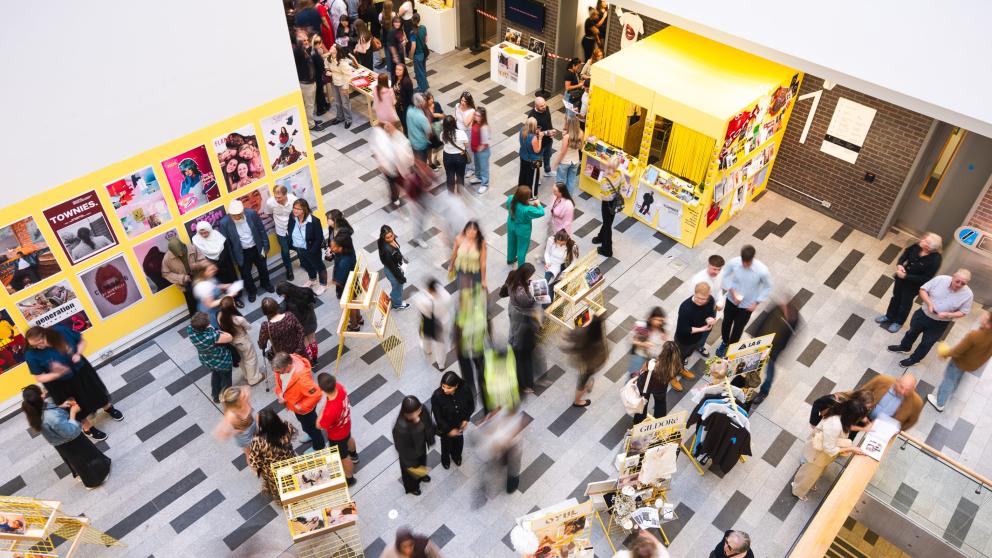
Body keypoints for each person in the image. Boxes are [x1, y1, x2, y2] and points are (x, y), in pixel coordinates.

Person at [25, 326, 120, 441]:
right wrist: (57, 374)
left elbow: (82, 341)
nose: (38, 347)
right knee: (75, 405)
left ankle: (108, 407)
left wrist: (77, 354)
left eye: (40, 343)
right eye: (34, 345)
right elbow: (39, 377)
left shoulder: (60, 331)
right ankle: (87, 428)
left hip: (80, 370)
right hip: (59, 383)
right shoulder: (31, 354)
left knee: (94, 390)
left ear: (46, 334)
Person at [22, 384, 111, 488]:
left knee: (73, 460)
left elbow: (48, 415)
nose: (44, 391)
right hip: (72, 441)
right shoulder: (52, 417)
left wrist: (61, 406)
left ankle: (79, 475)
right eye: (41, 391)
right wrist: (73, 412)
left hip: (59, 444)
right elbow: (70, 431)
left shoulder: (34, 410)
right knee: (86, 458)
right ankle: (96, 479)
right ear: (40, 397)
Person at [888, 269, 973, 367]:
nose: (958, 285)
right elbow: (923, 290)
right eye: (957, 281)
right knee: (911, 332)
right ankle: (904, 347)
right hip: (923, 314)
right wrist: (929, 303)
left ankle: (915, 359)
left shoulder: (968, 294)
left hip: (940, 323)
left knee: (927, 342)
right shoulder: (940, 279)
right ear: (953, 277)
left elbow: (963, 312)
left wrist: (949, 315)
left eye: (963, 283)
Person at [791, 398, 868, 500]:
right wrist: (852, 449)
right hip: (817, 454)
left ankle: (808, 484)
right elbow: (829, 448)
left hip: (821, 454)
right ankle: (797, 491)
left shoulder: (840, 413)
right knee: (808, 474)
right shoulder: (835, 424)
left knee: (814, 472)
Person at [878, 233, 943, 333]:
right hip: (901, 278)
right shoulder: (917, 246)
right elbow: (905, 254)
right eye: (925, 238)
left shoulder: (935, 260)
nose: (922, 240)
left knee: (905, 303)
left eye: (926, 241)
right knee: (895, 297)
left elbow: (926, 278)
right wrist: (900, 264)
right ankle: (889, 316)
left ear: (929, 247)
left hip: (913, 285)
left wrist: (906, 276)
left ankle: (898, 322)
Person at [928, 311, 992, 411]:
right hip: (973, 363)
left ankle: (940, 403)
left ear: (988, 324)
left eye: (986, 316)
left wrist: (944, 353)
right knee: (957, 377)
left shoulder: (974, 336)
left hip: (960, 362)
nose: (983, 315)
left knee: (949, 380)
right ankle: (952, 390)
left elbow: (957, 351)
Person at [716, 245, 772, 357]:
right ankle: (725, 342)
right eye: (743, 261)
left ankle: (732, 348)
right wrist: (732, 291)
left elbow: (768, 287)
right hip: (732, 300)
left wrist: (756, 303)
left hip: (747, 306)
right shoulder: (734, 263)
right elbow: (724, 276)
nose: (745, 264)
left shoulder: (762, 270)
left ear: (752, 259)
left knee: (738, 327)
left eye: (747, 262)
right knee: (726, 322)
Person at [217, 200, 273, 303]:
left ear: (243, 211)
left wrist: (265, 246)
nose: (236, 217)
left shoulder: (251, 214)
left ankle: (266, 284)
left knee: (263, 268)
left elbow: (261, 230)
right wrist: (234, 259)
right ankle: (251, 291)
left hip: (257, 247)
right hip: (241, 252)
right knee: (246, 274)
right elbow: (227, 244)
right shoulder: (224, 223)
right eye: (234, 215)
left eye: (238, 215)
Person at [749, 292, 800, 405]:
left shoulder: (794, 319)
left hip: (774, 348)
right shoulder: (777, 308)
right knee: (754, 362)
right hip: (762, 341)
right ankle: (749, 381)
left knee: (770, 369)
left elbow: (788, 338)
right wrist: (755, 336)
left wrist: (778, 351)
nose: (781, 304)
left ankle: (764, 391)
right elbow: (764, 319)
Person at [271, 352, 326, 451]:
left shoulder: (302, 379)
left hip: (305, 410)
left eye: (280, 371)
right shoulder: (283, 366)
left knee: (313, 427)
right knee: (305, 424)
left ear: (288, 366)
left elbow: (317, 394)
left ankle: (319, 446)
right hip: (296, 407)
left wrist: (300, 406)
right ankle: (309, 434)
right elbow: (278, 381)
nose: (278, 374)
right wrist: (280, 393)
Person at [317, 372, 358, 484]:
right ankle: (354, 455)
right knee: (349, 438)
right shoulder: (340, 387)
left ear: (322, 389)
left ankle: (350, 478)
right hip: (346, 423)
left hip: (337, 436)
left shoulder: (330, 411)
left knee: (344, 457)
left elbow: (319, 425)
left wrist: (323, 408)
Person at [247, 408, 297, 497]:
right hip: (290, 461)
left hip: (273, 470)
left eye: (258, 422)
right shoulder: (287, 427)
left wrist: (258, 471)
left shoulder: (258, 441)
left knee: (277, 486)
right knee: (292, 477)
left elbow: (254, 461)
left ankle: (283, 500)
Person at [507, 264, 540, 394]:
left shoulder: (512, 277)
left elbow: (503, 291)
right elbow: (529, 303)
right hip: (521, 315)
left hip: (513, 310)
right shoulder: (520, 292)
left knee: (514, 334)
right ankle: (524, 384)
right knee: (522, 356)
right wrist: (537, 297)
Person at [187, 312, 235, 403]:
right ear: (205, 327)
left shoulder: (190, 330)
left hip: (207, 359)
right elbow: (229, 337)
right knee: (226, 380)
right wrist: (215, 329)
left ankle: (216, 396)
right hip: (221, 361)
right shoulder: (211, 336)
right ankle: (228, 399)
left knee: (216, 374)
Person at [393, 395, 436, 495]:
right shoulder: (400, 427)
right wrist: (418, 424)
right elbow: (402, 449)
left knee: (422, 462)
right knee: (410, 475)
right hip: (409, 457)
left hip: (420, 447)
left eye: (419, 410)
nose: (419, 413)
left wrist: (431, 436)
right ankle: (412, 488)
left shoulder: (421, 409)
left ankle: (422, 475)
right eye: (415, 413)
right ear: (406, 414)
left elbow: (429, 423)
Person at [431, 371, 475, 469]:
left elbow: (470, 405)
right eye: (443, 386)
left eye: (449, 387)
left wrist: (466, 419)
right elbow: (438, 417)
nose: (445, 390)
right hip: (445, 427)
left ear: (456, 385)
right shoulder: (437, 396)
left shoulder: (465, 389)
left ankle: (456, 456)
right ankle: (445, 459)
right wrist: (449, 430)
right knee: (446, 445)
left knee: (459, 443)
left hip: (459, 424)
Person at [563, 315, 608, 407]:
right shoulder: (598, 340)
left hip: (582, 360)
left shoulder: (582, 332)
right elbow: (602, 355)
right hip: (591, 365)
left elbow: (570, 336)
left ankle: (587, 384)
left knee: (584, 377)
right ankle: (577, 401)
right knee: (582, 381)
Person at [217, 297, 264, 385]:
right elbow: (249, 327)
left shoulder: (219, 316)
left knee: (241, 360)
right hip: (243, 340)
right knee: (250, 359)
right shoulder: (238, 319)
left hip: (232, 341)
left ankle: (246, 375)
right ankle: (253, 378)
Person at [192, 221, 240, 307]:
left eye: (206, 232)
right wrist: (214, 266)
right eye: (201, 233)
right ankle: (226, 303)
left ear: (210, 230)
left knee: (231, 282)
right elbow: (201, 257)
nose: (204, 235)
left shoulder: (217, 235)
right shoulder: (197, 241)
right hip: (213, 270)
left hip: (226, 265)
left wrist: (221, 262)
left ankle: (237, 299)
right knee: (218, 286)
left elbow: (226, 249)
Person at [632, 342, 680, 424]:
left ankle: (638, 423)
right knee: (660, 404)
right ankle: (659, 423)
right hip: (661, 388)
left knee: (642, 404)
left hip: (645, 386)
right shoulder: (676, 366)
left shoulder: (652, 363)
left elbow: (643, 370)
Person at [161, 236, 210, 316]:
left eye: (182, 252)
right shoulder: (167, 258)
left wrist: (195, 265)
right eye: (178, 254)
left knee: (204, 298)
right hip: (185, 283)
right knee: (193, 305)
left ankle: (210, 316)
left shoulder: (192, 248)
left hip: (198, 278)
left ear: (183, 246)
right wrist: (182, 278)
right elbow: (165, 273)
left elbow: (203, 260)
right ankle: (197, 323)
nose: (180, 254)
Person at [288, 198, 328, 294]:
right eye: (294, 208)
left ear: (304, 209)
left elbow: (319, 238)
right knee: (307, 264)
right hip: (299, 248)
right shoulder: (292, 217)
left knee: (319, 267)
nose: (295, 210)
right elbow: (290, 228)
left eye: (298, 209)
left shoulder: (314, 221)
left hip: (311, 249)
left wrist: (313, 251)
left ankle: (323, 285)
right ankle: (312, 279)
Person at [858, 373, 923, 430]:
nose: (903, 392)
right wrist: (861, 415)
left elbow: (911, 421)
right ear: (897, 381)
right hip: (864, 416)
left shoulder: (917, 403)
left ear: (913, 389)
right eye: (901, 387)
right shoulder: (881, 380)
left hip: (883, 428)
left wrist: (895, 430)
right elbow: (861, 393)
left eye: (907, 390)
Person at [370, 121, 413, 206]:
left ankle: (398, 193)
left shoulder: (398, 136)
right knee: (392, 183)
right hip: (389, 167)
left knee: (398, 181)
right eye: (386, 127)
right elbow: (377, 152)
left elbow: (405, 147)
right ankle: (394, 197)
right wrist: (381, 164)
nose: (388, 128)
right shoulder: (381, 139)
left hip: (398, 165)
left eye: (389, 126)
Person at [674, 282, 717, 368]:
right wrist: (702, 329)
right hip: (684, 341)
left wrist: (711, 319)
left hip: (697, 338)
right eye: (699, 298)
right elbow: (683, 330)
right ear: (694, 293)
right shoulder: (685, 307)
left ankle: (682, 365)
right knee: (678, 358)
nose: (701, 301)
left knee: (689, 353)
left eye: (704, 299)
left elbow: (710, 313)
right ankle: (675, 371)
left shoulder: (710, 300)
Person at [689, 255, 726, 347]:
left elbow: (719, 289)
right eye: (714, 269)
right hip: (698, 310)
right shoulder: (698, 279)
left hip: (712, 308)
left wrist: (720, 302)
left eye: (719, 269)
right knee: (695, 330)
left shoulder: (721, 274)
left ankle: (700, 346)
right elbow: (692, 298)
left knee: (708, 329)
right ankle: (688, 349)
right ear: (708, 265)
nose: (717, 272)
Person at [413, 279, 450, 371]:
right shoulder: (445, 294)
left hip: (429, 323)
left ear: (429, 289)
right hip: (443, 322)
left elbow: (421, 308)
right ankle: (441, 363)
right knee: (440, 344)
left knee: (425, 337)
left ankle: (427, 350)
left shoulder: (426, 301)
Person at [506, 186, 545, 267]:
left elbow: (508, 207)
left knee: (511, 242)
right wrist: (538, 204)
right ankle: (520, 268)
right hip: (523, 229)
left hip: (511, 224)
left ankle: (510, 259)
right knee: (522, 248)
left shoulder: (510, 198)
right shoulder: (527, 209)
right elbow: (541, 212)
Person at [266, 185, 299, 281]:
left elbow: (299, 210)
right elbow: (268, 214)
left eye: (279, 197)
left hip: (292, 227)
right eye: (275, 196)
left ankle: (304, 262)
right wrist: (277, 221)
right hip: (280, 230)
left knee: (299, 247)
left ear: (285, 195)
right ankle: (289, 270)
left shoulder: (293, 199)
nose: (276, 199)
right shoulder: (270, 203)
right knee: (285, 251)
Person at [214, 386, 256, 455]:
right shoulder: (231, 415)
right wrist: (237, 431)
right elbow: (220, 434)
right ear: (237, 403)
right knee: (250, 454)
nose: (246, 396)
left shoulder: (244, 399)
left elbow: (247, 388)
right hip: (244, 436)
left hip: (253, 425)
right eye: (243, 397)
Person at [293, 30, 323, 130]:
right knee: (309, 105)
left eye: (307, 40)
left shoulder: (307, 50)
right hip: (306, 84)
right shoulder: (299, 52)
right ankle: (311, 125)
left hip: (311, 81)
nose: (306, 42)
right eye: (303, 41)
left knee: (310, 104)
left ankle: (310, 120)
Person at [593, 155, 621, 257]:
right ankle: (601, 237)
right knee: (608, 222)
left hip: (607, 203)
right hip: (615, 202)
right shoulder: (620, 174)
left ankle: (607, 250)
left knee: (607, 224)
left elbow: (604, 196)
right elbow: (624, 188)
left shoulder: (605, 180)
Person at [378, 225, 411, 310]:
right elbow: (392, 267)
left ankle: (394, 299)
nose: (391, 239)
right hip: (392, 270)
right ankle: (397, 304)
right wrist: (401, 277)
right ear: (383, 238)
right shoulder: (386, 250)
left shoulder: (387, 242)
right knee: (398, 286)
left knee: (397, 286)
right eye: (387, 238)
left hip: (395, 266)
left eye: (392, 235)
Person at [628, 307, 669, 376]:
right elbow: (631, 339)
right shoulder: (641, 326)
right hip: (640, 356)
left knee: (644, 378)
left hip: (653, 358)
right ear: (650, 318)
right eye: (657, 320)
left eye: (661, 320)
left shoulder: (662, 329)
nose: (660, 322)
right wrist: (643, 344)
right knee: (633, 376)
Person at [323, 43, 355, 128]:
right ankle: (340, 117)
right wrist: (327, 71)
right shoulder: (328, 59)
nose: (330, 46)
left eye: (333, 46)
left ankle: (348, 120)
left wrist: (345, 87)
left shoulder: (342, 62)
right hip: (334, 82)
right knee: (337, 101)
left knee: (345, 103)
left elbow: (347, 75)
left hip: (342, 84)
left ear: (337, 50)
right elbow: (326, 66)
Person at [553, 117, 584, 195]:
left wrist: (556, 163)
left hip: (565, 161)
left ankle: (561, 197)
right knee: (572, 180)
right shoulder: (581, 133)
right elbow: (581, 147)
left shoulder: (567, 137)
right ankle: (569, 198)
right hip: (576, 160)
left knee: (561, 181)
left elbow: (562, 152)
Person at [527, 97, 556, 180]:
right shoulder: (532, 117)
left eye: (544, 104)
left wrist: (552, 131)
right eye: (541, 106)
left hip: (548, 140)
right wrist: (547, 132)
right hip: (538, 143)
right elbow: (531, 133)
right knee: (537, 160)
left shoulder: (547, 108)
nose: (544, 107)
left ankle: (547, 171)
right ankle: (537, 177)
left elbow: (548, 121)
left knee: (548, 156)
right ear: (535, 106)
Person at [441, 114, 469, 193]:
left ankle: (451, 194)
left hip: (447, 157)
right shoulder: (461, 133)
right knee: (460, 176)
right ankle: (460, 193)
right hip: (460, 157)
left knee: (450, 176)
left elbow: (443, 142)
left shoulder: (443, 134)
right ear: (454, 123)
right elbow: (466, 145)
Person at [381, 527, 445, 558]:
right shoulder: (390, 551)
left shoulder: (423, 543)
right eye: (404, 547)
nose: (409, 549)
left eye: (411, 545)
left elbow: (437, 555)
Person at [517, 117, 543, 195]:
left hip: (523, 156)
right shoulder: (533, 138)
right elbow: (537, 150)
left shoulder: (522, 130)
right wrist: (540, 139)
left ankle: (520, 192)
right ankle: (531, 195)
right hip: (533, 160)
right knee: (532, 178)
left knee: (523, 175)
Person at [468, 107, 491, 193]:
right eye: (475, 114)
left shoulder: (484, 127)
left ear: (482, 117)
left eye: (478, 115)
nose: (475, 116)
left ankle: (485, 184)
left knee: (484, 168)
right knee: (477, 165)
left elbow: (486, 142)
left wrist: (479, 149)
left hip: (482, 152)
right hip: (476, 150)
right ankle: (478, 177)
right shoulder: (475, 123)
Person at [406, 93, 433, 162]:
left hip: (412, 141)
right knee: (422, 162)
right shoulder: (422, 117)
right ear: (421, 103)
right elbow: (429, 131)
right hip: (421, 144)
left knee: (417, 161)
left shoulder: (409, 110)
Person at [408, 12, 429, 92]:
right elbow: (426, 39)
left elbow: (413, 46)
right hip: (424, 53)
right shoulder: (423, 27)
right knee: (423, 69)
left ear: (412, 20)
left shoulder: (412, 33)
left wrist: (411, 56)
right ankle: (425, 84)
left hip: (417, 55)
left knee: (419, 72)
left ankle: (422, 88)